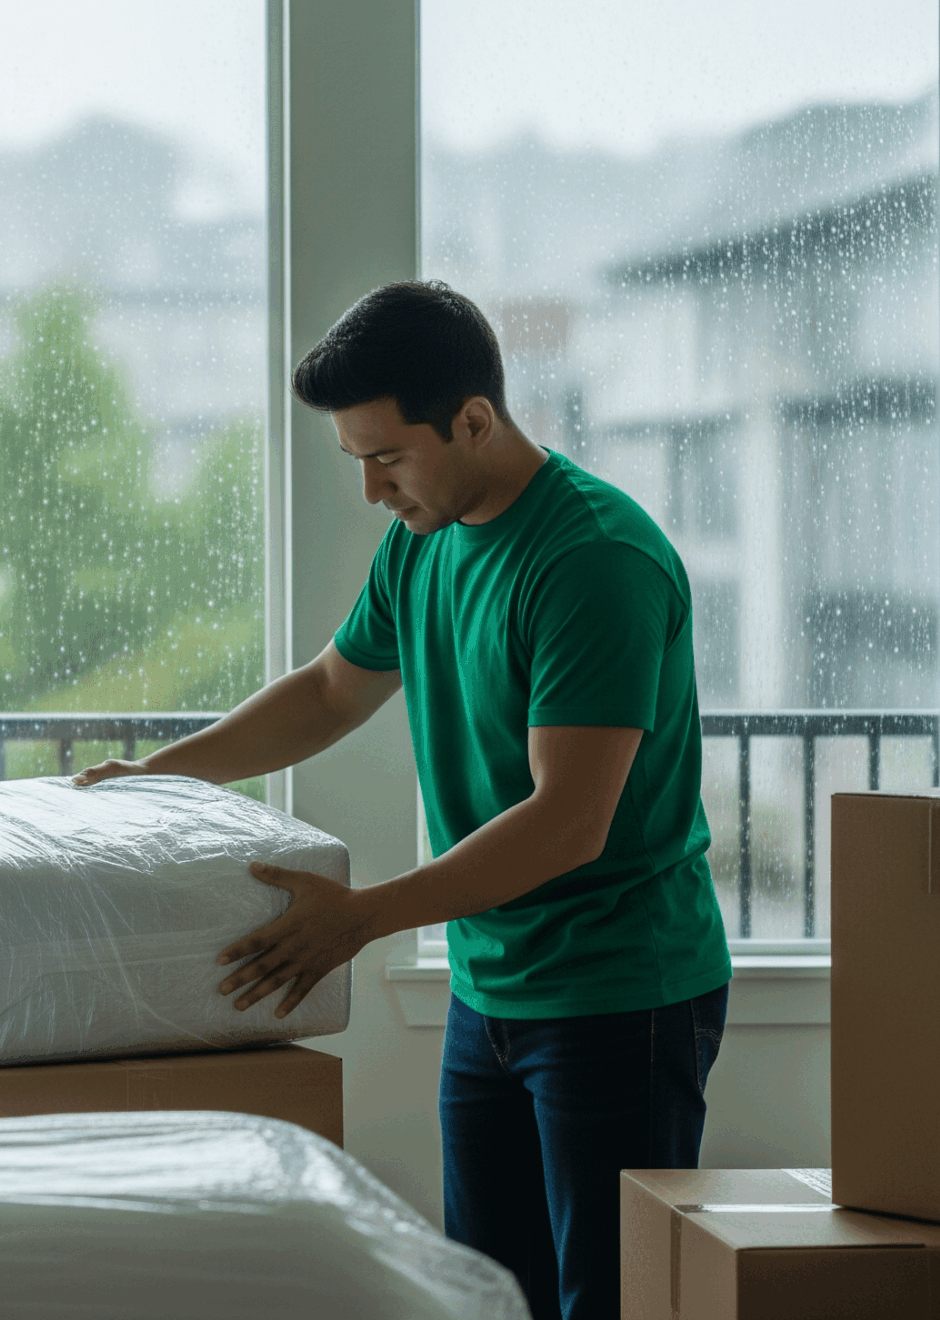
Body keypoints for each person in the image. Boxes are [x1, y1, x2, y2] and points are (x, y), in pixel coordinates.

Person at [74, 281, 728, 1320]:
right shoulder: (424, 538)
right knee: (486, 1292)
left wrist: (361, 918)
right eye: (357, 463)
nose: (373, 489)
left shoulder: (590, 561)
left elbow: (569, 821)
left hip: (617, 993)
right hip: (490, 987)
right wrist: (165, 774)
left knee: (604, 1300)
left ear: (473, 420)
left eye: (388, 457)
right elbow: (330, 692)